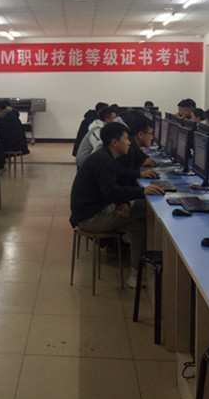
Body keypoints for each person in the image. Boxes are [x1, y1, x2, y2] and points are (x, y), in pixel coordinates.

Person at [70, 122, 165, 289]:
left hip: (92, 211)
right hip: (90, 218)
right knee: (145, 207)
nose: (129, 143)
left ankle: (137, 275)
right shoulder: (103, 160)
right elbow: (111, 192)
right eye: (126, 139)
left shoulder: (105, 156)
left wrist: (126, 197)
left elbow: (116, 176)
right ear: (115, 142)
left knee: (139, 225)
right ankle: (156, 268)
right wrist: (142, 191)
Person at [115, 114, 161, 183]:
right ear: (140, 135)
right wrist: (140, 174)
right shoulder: (128, 149)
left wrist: (142, 162)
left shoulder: (132, 146)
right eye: (151, 133)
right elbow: (120, 175)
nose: (152, 138)